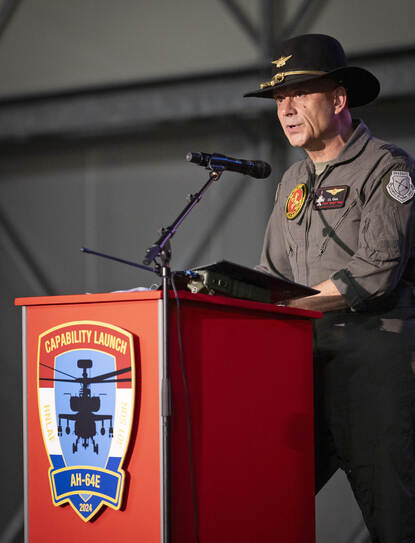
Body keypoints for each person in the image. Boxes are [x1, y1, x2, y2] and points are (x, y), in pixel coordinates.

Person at [245, 34, 415, 543]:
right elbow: (270, 273)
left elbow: (376, 271)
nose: (287, 109)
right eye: (279, 99)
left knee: (395, 522)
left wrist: (288, 305)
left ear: (338, 100)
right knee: (264, 508)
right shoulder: (293, 180)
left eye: (299, 93)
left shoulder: (387, 167)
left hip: (376, 371)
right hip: (304, 375)